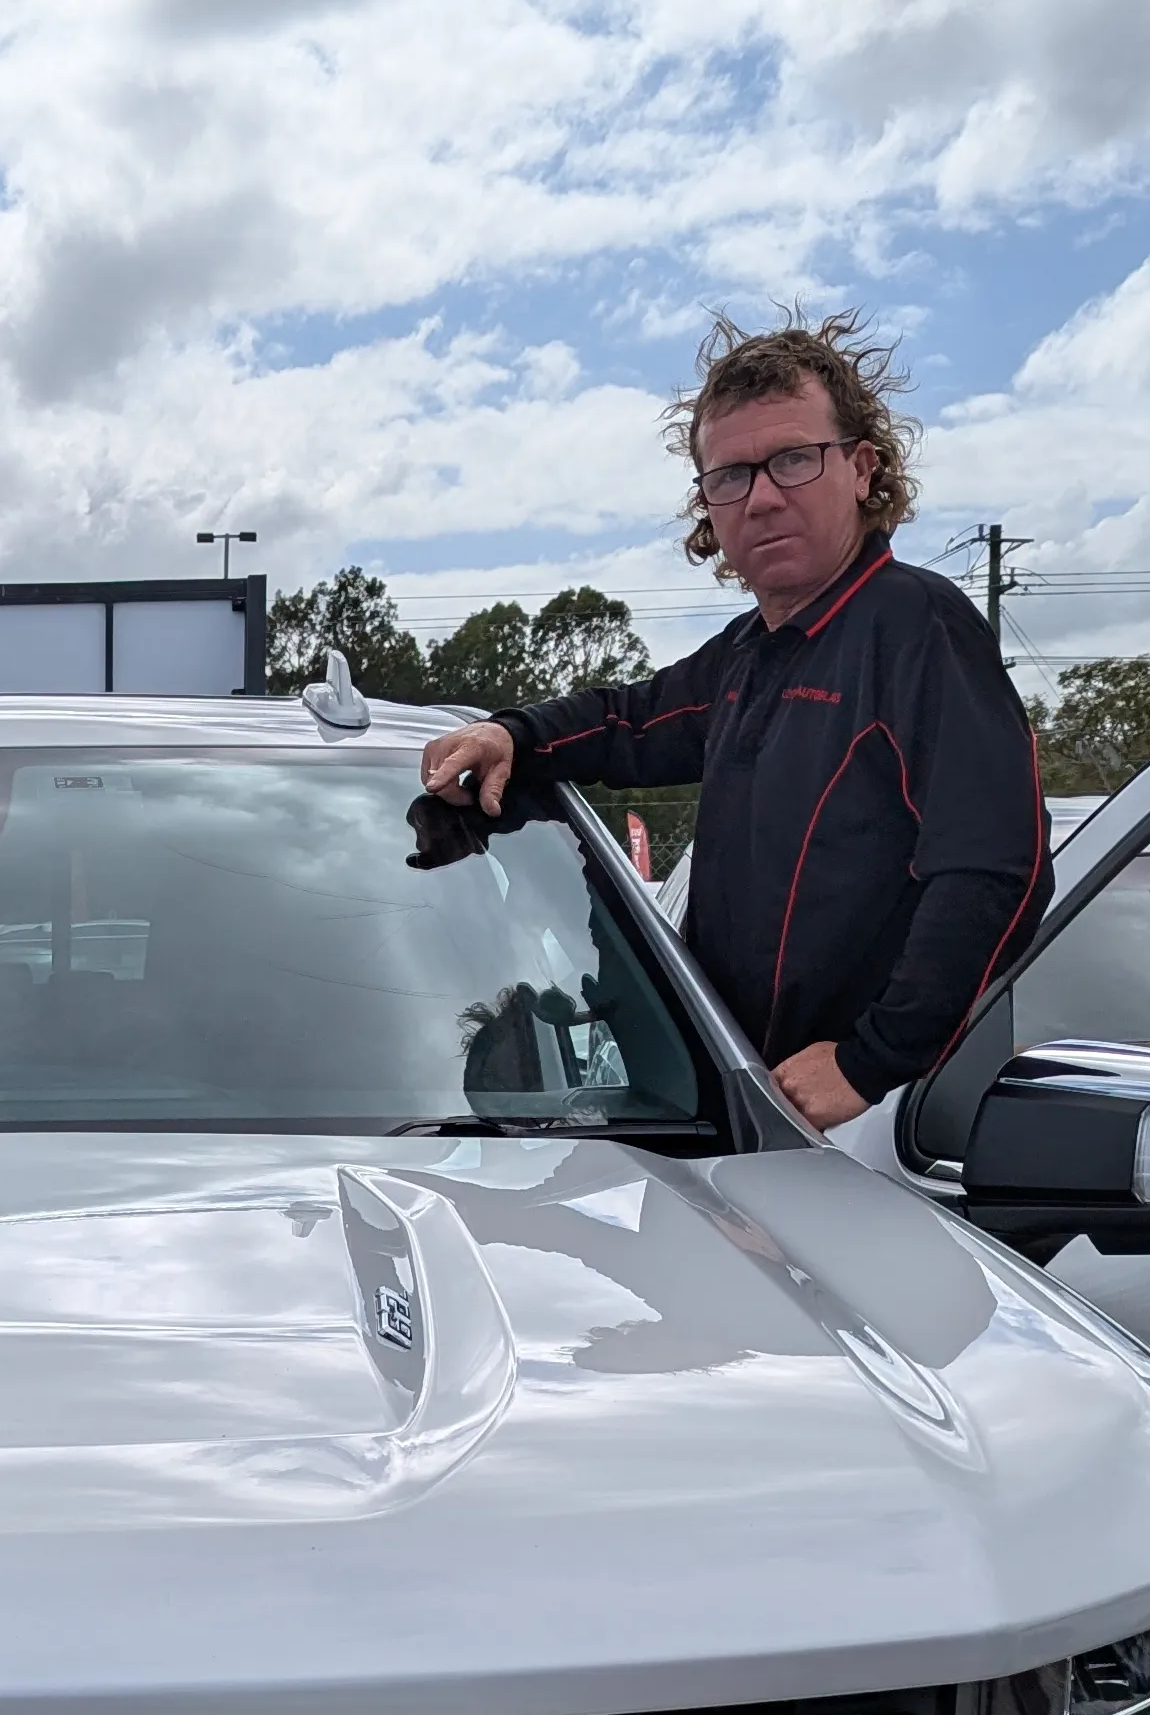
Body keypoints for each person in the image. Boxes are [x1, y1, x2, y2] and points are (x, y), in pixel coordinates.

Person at [418, 316, 1047, 1133]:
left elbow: (1000, 871)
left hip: (846, 1127)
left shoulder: (917, 629)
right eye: (732, 476)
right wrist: (515, 735)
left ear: (861, 468)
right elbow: (631, 721)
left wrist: (872, 1060)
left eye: (793, 460)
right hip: (717, 1113)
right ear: (708, 507)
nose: (763, 496)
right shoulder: (754, 653)